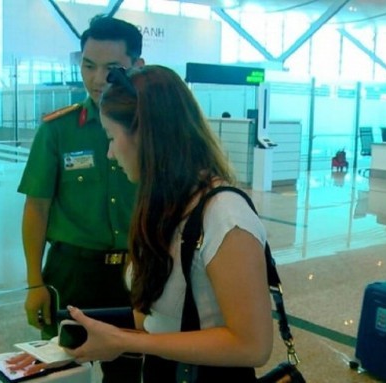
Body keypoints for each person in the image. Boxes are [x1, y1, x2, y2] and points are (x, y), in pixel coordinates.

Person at [62, 65, 273, 382]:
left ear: (145, 136)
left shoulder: (225, 216)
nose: (109, 153)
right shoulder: (164, 207)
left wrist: (126, 341)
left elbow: (253, 346)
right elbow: (157, 321)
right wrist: (104, 335)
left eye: (111, 137)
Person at [16, 15, 144, 383]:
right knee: (65, 371)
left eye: (112, 68)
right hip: (74, 273)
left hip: (138, 273)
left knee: (132, 369)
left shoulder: (152, 128)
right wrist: (34, 283)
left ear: (137, 66)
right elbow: (36, 208)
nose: (97, 79)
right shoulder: (58, 129)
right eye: (88, 66)